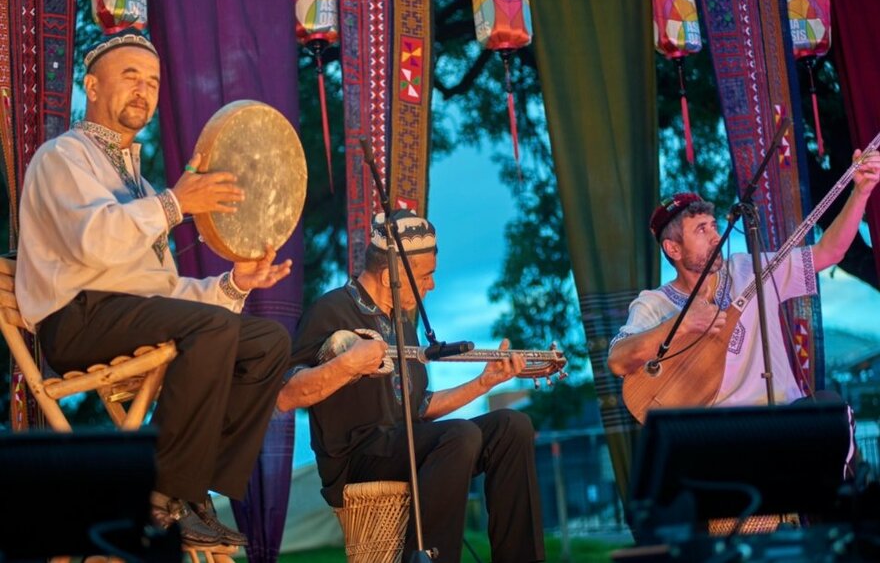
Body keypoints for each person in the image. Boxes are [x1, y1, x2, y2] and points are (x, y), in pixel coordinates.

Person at [15, 31, 293, 548]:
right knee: (211, 328)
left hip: (131, 314)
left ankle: (190, 488)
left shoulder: (139, 187)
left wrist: (233, 284)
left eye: (153, 81)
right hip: (75, 320)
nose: (144, 90)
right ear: (92, 87)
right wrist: (173, 205)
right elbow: (91, 242)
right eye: (130, 77)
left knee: (267, 342)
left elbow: (163, 290)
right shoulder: (61, 158)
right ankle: (160, 491)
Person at [277, 209, 545, 563]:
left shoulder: (404, 324)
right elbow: (286, 394)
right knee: (460, 436)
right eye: (427, 276)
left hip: (404, 445)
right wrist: (346, 364)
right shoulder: (330, 311)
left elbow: (418, 407)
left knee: (512, 426)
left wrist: (484, 382)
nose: (432, 285)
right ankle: (429, 558)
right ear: (391, 276)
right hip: (357, 459)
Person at [607, 149, 880, 413]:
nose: (715, 237)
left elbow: (829, 252)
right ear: (674, 249)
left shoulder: (749, 268)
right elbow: (617, 361)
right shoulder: (655, 304)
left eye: (714, 226)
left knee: (832, 409)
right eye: (701, 230)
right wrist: (681, 325)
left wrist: (861, 192)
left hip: (785, 415)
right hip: (722, 434)